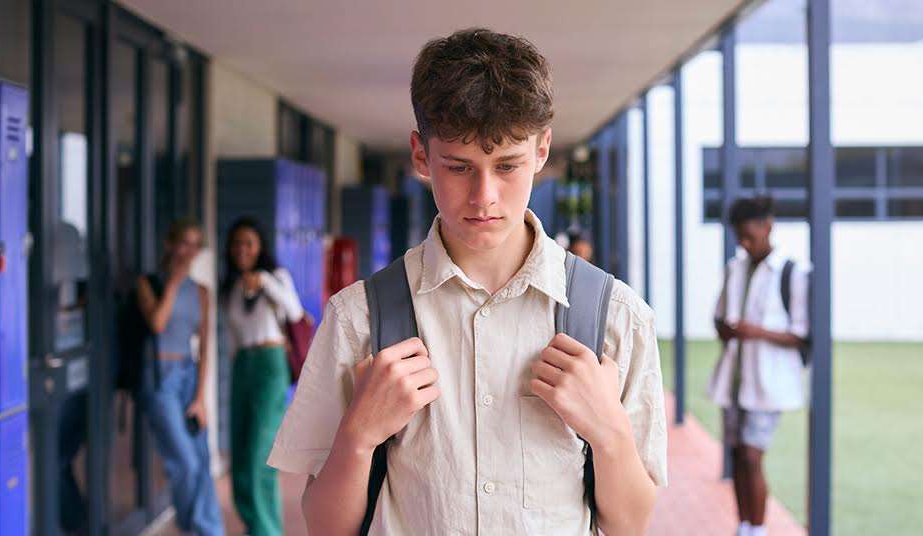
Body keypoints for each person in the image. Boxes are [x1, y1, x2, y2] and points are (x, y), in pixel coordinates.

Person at [267, 28, 667, 535]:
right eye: (459, 167)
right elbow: (325, 527)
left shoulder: (616, 316)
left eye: (507, 166)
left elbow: (631, 524)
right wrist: (358, 437)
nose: (484, 197)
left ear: (542, 150)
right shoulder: (358, 317)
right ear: (420, 155)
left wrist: (609, 433)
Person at [706, 197, 811, 536]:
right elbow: (720, 318)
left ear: (768, 227)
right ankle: (744, 524)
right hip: (735, 378)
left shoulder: (793, 273)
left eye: (749, 235)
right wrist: (727, 328)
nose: (744, 243)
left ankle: (759, 528)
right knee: (737, 455)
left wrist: (755, 332)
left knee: (752, 455)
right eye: (739, 237)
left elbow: (801, 334)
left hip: (768, 381)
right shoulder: (734, 269)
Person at [137, 220, 223, 536]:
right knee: (184, 463)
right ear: (169, 244)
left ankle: (207, 530)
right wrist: (173, 282)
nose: (189, 251)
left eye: (195, 244)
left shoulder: (202, 292)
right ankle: (195, 526)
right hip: (160, 377)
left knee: (201, 458)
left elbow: (204, 347)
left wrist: (201, 397)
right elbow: (157, 323)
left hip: (189, 377)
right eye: (183, 243)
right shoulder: (148, 284)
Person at [221, 217, 305, 536]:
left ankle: (267, 531)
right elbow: (232, 335)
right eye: (237, 243)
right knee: (240, 457)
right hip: (242, 365)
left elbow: (295, 311)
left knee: (259, 455)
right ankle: (254, 526)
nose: (242, 249)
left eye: (249, 243)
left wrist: (265, 281)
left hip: (270, 365)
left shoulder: (276, 276)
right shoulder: (229, 286)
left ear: (260, 248)